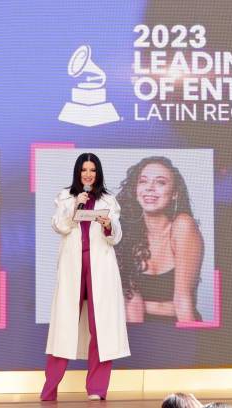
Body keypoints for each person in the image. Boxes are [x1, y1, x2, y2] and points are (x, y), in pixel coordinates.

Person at [41, 153, 130, 401]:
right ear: (77, 173)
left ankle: (97, 389)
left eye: (92, 170)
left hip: (100, 269)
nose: (88, 174)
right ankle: (50, 389)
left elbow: (116, 236)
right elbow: (59, 226)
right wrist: (74, 205)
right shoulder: (66, 196)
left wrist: (108, 224)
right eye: (83, 170)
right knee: (63, 328)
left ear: (98, 173)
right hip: (73, 268)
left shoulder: (108, 199)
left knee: (100, 328)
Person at [116, 156, 204, 323]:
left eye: (160, 182)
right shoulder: (127, 233)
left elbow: (182, 300)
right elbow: (133, 303)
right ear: (136, 191)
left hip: (180, 324)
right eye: (143, 181)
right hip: (142, 326)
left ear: (174, 194)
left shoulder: (182, 226)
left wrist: (193, 343)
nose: (149, 188)